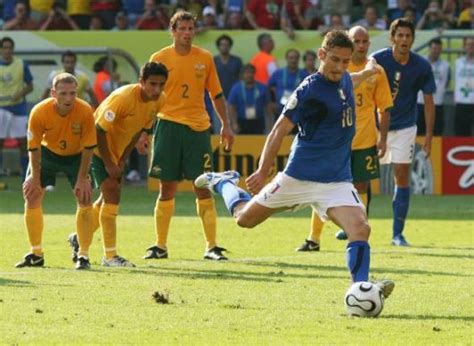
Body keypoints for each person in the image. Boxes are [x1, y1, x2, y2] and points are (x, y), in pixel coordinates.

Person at [195, 30, 395, 298]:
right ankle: (223, 182)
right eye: (334, 60)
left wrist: (369, 69)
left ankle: (360, 288)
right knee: (244, 219)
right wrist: (263, 170)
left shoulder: (345, 77)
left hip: (336, 180)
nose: (340, 67)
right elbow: (279, 130)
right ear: (321, 55)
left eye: (346, 61)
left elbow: (354, 78)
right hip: (298, 177)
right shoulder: (309, 90)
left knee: (360, 228)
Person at [143, 11, 234, 261]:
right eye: (181, 28)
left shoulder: (204, 58)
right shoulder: (159, 58)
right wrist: (143, 129)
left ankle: (212, 246)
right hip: (168, 126)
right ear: (172, 31)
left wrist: (226, 125)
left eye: (190, 28)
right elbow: (148, 97)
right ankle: (160, 245)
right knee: (167, 187)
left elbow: (216, 94)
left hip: (197, 128)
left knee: (203, 187)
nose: (186, 33)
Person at [296, 26, 392, 251]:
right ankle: (314, 238)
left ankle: (357, 231)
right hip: (335, 141)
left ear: (369, 44)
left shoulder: (377, 71)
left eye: (364, 41)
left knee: (361, 185)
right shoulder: (337, 68)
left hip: (365, 138)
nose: (360, 45)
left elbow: (384, 107)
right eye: (356, 40)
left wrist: (383, 138)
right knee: (322, 187)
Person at [67, 62, 168, 269]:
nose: (157, 90)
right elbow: (99, 130)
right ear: (141, 82)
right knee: (113, 194)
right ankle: (110, 256)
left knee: (106, 198)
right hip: (95, 147)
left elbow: (140, 129)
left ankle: (80, 237)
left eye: (161, 85)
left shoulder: (159, 100)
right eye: (152, 84)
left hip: (116, 151)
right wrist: (109, 162)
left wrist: (122, 158)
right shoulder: (123, 98)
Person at [15, 73, 96, 269]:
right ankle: (36, 254)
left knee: (84, 197)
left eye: (73, 93)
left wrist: (83, 178)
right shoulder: (39, 112)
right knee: (32, 196)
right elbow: (33, 148)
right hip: (47, 154)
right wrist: (34, 177)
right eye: (63, 93)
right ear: (53, 93)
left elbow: (88, 148)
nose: (69, 98)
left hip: (77, 156)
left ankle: (83, 255)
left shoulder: (85, 111)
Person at [372, 18, 436, 246]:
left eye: (408, 36)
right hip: (374, 126)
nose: (404, 40)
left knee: (401, 176)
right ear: (392, 38)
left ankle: (397, 234)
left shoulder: (421, 66)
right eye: (399, 35)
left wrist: (428, 138)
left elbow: (428, 102)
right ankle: (352, 224)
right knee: (360, 178)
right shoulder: (377, 60)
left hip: (405, 128)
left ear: (412, 39)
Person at [0, 37, 34, 180]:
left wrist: (20, 93)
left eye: (9, 47)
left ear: (13, 49)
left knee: (22, 142)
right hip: (1, 107)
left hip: (18, 107)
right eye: (4, 47)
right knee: (0, 141)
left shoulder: (21, 64)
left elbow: (30, 85)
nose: (7, 50)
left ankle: (26, 176)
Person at [416, 38, 450, 136]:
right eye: (434, 48)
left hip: (437, 104)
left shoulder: (446, 65)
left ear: (441, 50)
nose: (436, 51)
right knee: (418, 131)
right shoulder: (420, 63)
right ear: (429, 49)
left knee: (437, 131)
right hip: (420, 103)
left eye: (438, 49)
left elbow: (447, 82)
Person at [227, 64, 272, 134]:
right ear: (243, 74)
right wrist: (234, 123)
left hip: (258, 121)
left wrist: (269, 124)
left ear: (254, 74)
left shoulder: (262, 87)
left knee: (258, 142)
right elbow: (231, 106)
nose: (249, 75)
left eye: (251, 72)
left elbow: (268, 106)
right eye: (247, 73)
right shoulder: (236, 88)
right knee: (243, 143)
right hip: (242, 121)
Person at [269, 49, 309, 117]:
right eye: (291, 58)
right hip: (280, 111)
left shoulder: (304, 75)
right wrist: (272, 102)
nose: (293, 60)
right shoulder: (278, 73)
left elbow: (308, 91)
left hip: (298, 112)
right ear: (286, 59)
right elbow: (270, 88)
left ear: (298, 59)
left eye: (296, 58)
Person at [454, 37, 474, 136]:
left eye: (472, 44)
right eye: (468, 44)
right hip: (461, 103)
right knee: (461, 134)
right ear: (464, 47)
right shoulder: (458, 63)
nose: (471, 47)